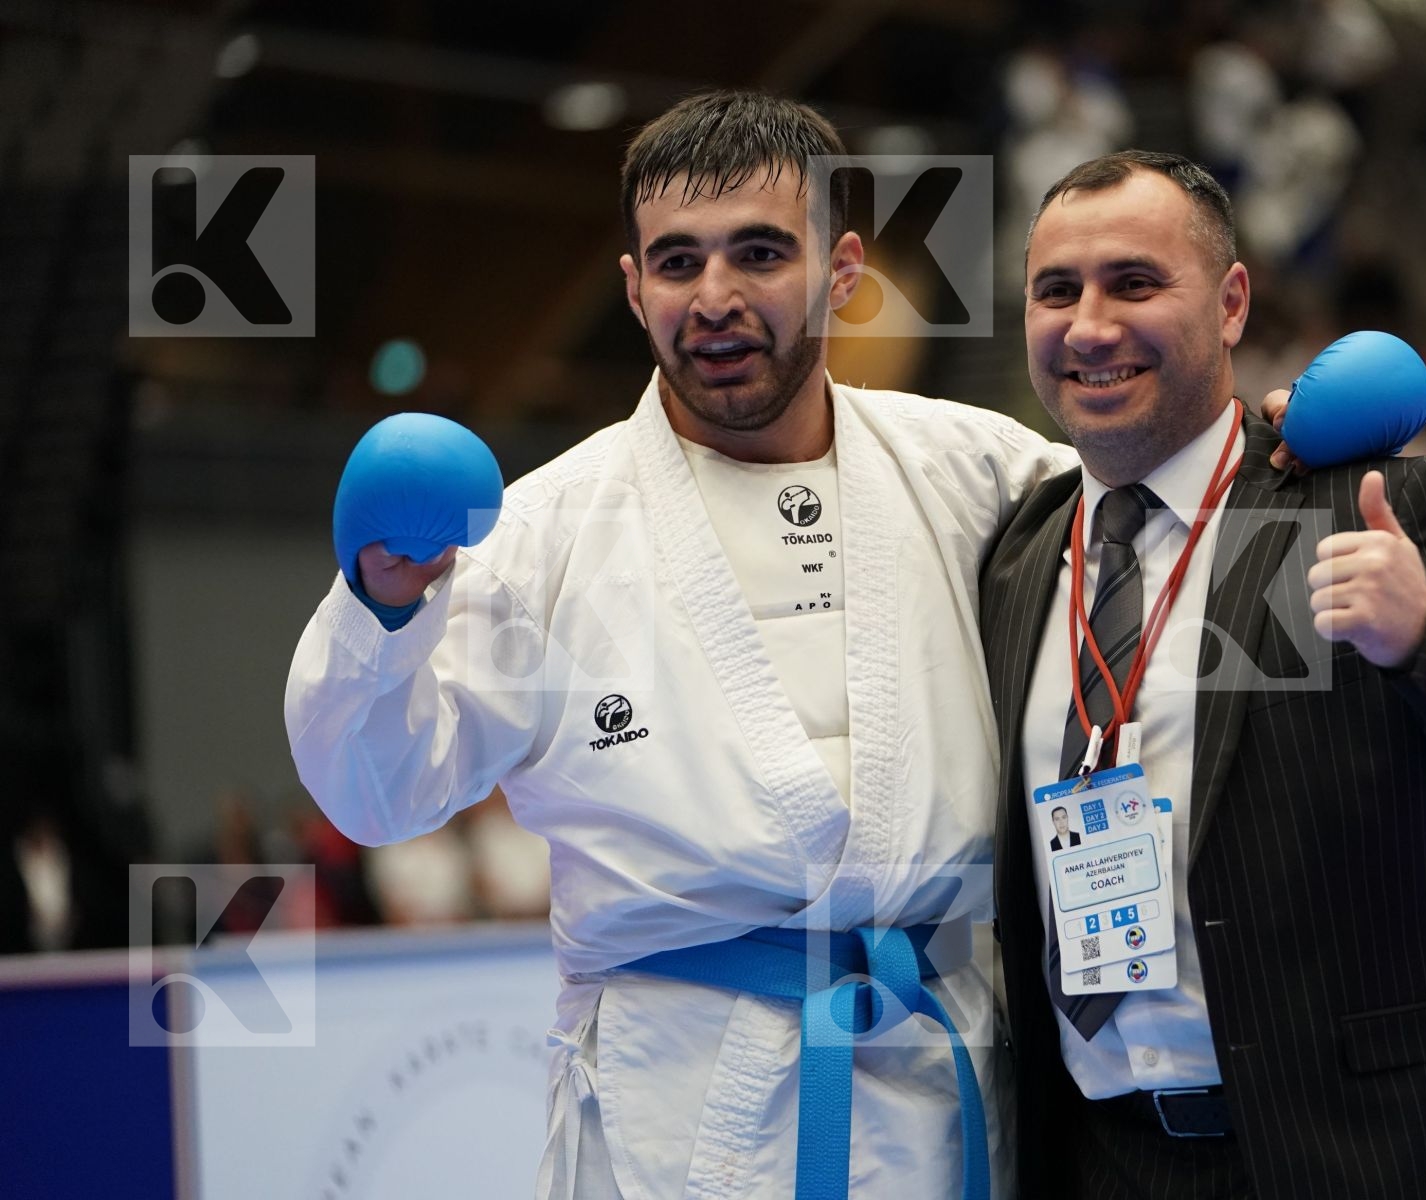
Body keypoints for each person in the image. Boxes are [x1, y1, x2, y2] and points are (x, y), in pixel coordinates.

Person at [286, 90, 1074, 1200]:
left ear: (843, 270)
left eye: (760, 252)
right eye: (677, 261)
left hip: (941, 1082)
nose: (714, 298)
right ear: (633, 286)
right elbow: (381, 793)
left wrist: (1269, 449)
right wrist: (383, 607)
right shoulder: (543, 535)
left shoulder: (979, 473)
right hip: (683, 1107)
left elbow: (1159, 539)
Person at [979, 150, 1426, 1199]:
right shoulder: (1018, 555)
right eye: (1058, 291)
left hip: (1380, 1160)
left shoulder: (1356, 504)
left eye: (1134, 283)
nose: (1089, 326)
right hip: (1111, 1164)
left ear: (1231, 303)